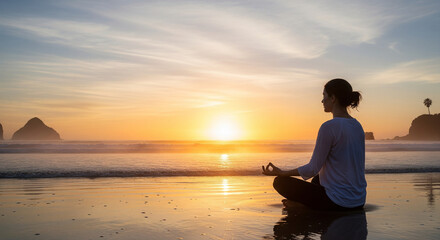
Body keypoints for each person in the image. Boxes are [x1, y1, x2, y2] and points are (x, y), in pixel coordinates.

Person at [262, 78, 367, 211]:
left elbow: (312, 168)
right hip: (358, 201)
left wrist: (283, 173)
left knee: (280, 182)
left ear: (333, 98)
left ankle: (305, 207)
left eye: (324, 96)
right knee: (318, 180)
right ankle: (307, 204)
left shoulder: (329, 127)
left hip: (339, 203)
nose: (322, 101)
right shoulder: (357, 126)